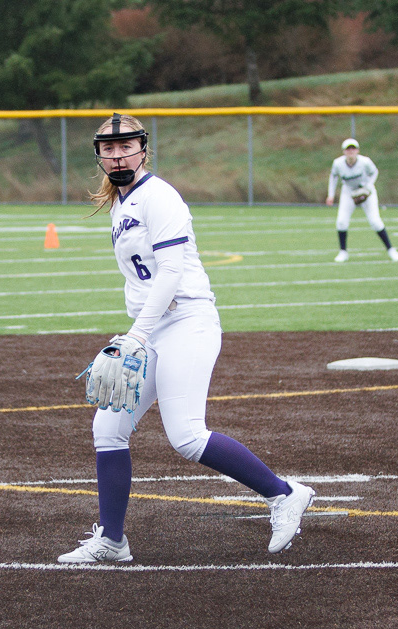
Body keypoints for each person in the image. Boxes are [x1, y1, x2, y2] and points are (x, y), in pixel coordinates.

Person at [60, 114, 316, 564]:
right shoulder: (122, 203)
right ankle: (113, 540)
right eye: (109, 148)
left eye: (126, 146)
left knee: (187, 436)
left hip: (187, 321)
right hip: (153, 326)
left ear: (143, 150)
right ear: (98, 155)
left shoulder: (159, 196)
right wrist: (139, 331)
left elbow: (171, 272)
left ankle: (284, 494)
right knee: (108, 428)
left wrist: (137, 334)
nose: (117, 155)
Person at [325, 138, 398, 264]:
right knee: (341, 222)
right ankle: (343, 252)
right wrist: (331, 195)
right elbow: (333, 178)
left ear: (357, 150)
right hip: (348, 192)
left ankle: (391, 250)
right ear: (344, 151)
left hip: (366, 192)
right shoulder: (338, 163)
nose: (351, 151)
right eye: (348, 149)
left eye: (353, 148)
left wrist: (367, 186)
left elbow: (374, 172)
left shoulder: (365, 161)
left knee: (375, 221)